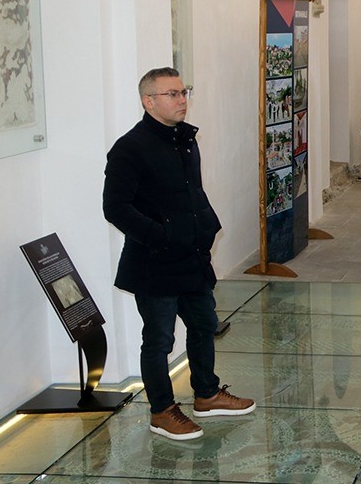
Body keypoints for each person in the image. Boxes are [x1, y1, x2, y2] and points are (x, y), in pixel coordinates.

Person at [103, 67, 255, 441]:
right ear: (148, 101)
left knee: (204, 325)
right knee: (159, 340)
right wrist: (161, 236)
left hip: (192, 256)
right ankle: (162, 411)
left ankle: (206, 394)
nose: (182, 99)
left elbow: (191, 194)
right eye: (171, 94)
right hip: (155, 261)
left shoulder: (185, 140)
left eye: (183, 91)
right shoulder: (130, 147)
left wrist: (205, 227)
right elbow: (115, 207)